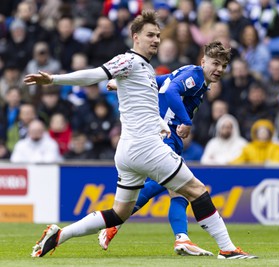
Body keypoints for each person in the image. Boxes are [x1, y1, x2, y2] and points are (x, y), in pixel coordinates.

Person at [25, 10, 256, 259]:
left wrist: (161, 123)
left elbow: (146, 102)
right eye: (150, 35)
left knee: (119, 213)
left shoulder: (145, 69)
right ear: (135, 37)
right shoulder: (129, 61)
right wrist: (53, 79)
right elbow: (94, 74)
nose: (156, 40)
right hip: (146, 147)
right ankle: (227, 248)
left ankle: (60, 235)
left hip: (128, 151)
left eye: (157, 35)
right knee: (197, 190)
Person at [99, 40, 231, 255]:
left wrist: (123, 84)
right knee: (169, 186)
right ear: (203, 61)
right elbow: (171, 92)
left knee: (178, 191)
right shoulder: (196, 78)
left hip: (168, 137)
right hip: (165, 134)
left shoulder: (191, 73)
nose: (219, 70)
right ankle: (115, 222)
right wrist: (186, 121)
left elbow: (163, 81)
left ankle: (182, 238)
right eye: (216, 64)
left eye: (223, 66)